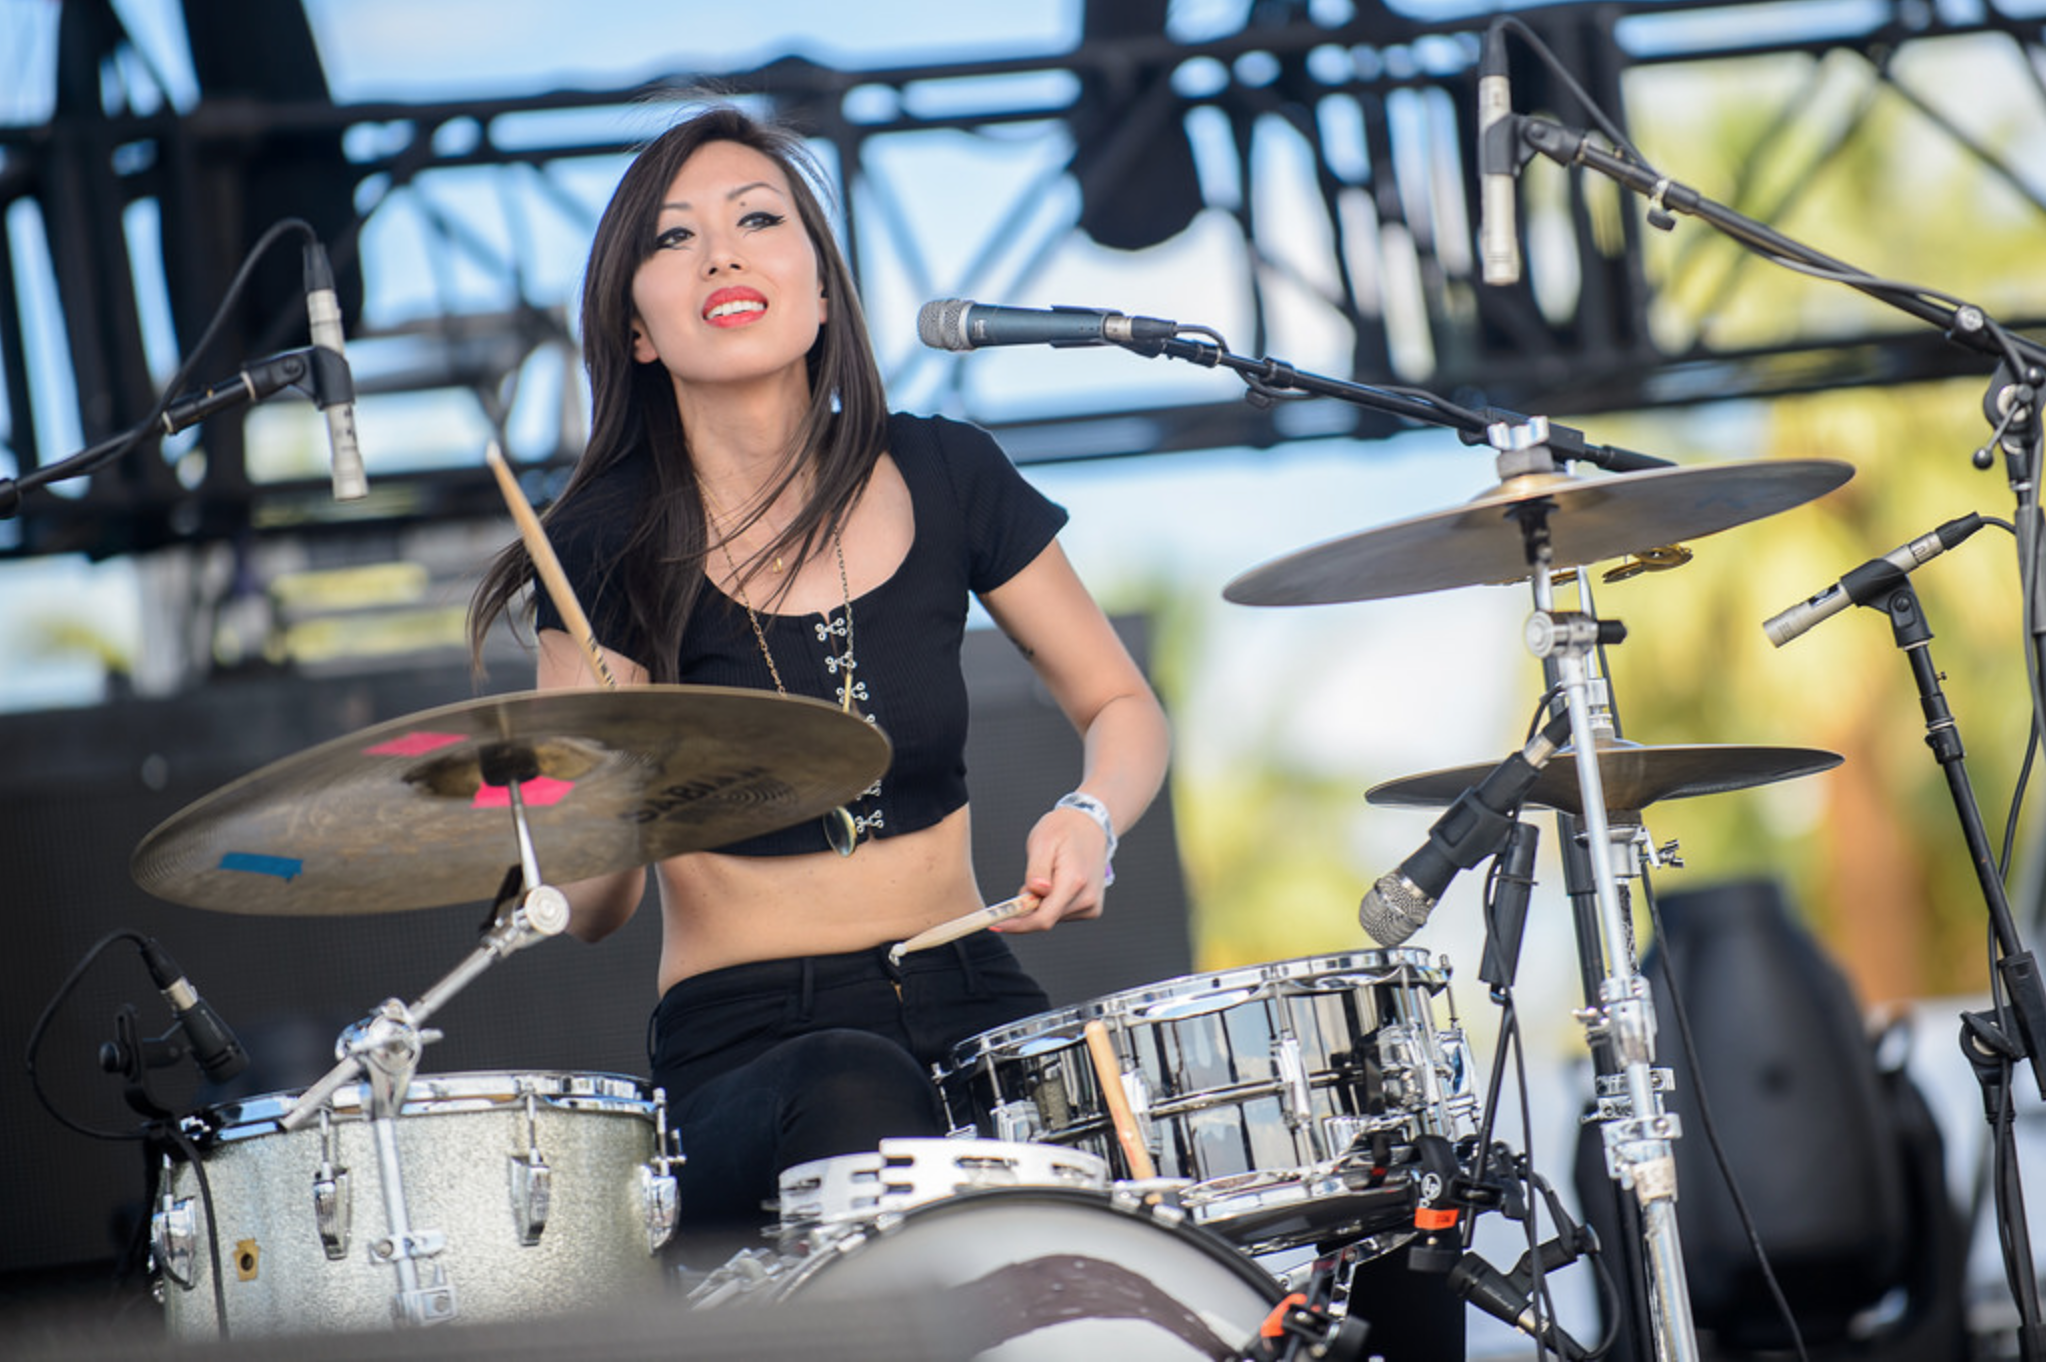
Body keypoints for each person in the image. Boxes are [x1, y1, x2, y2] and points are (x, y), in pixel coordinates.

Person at [466, 102, 1171, 1256]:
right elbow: (596, 910)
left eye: (757, 218)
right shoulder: (605, 545)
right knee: (853, 1089)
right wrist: (599, 774)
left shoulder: (949, 471)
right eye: (673, 238)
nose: (723, 252)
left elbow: (1123, 706)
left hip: (969, 989)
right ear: (638, 328)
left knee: (1102, 1170)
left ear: (823, 285)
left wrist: (1092, 815)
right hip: (753, 1043)